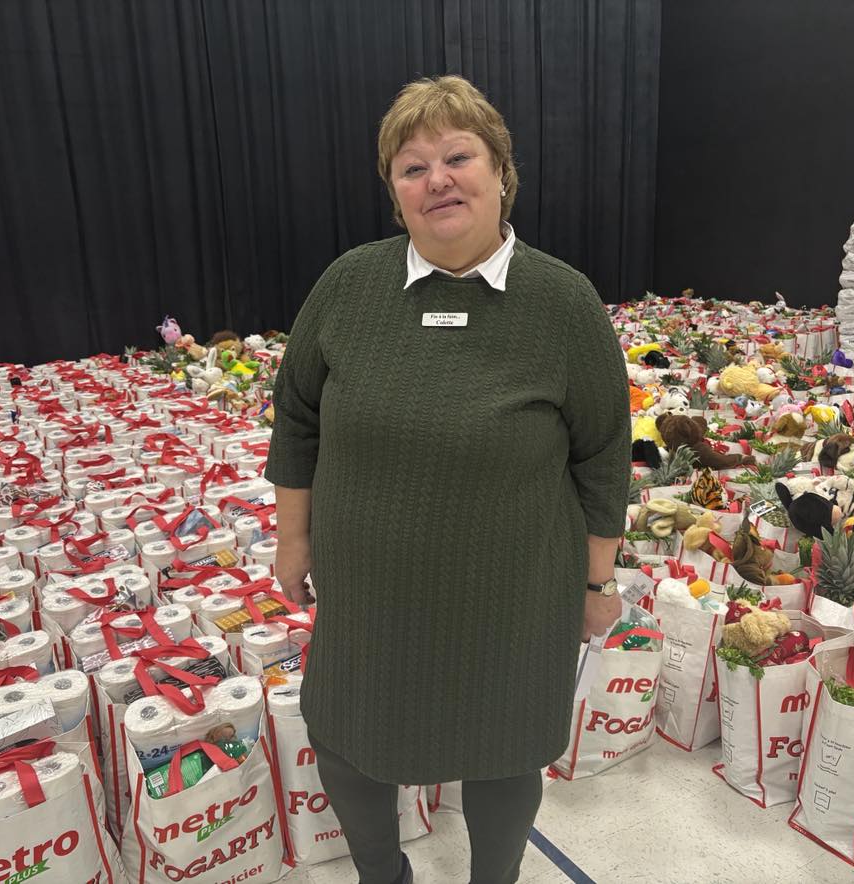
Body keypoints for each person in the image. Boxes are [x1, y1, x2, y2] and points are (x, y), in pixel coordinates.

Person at [264, 74, 630, 884]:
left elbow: (602, 453)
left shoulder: (562, 301)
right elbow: (297, 417)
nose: (436, 179)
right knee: (349, 736)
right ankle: (380, 875)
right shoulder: (348, 286)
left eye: (457, 156)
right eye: (411, 166)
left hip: (515, 589)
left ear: (501, 171)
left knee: (503, 752)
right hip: (369, 586)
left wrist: (595, 580)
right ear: (394, 194)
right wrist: (293, 537)